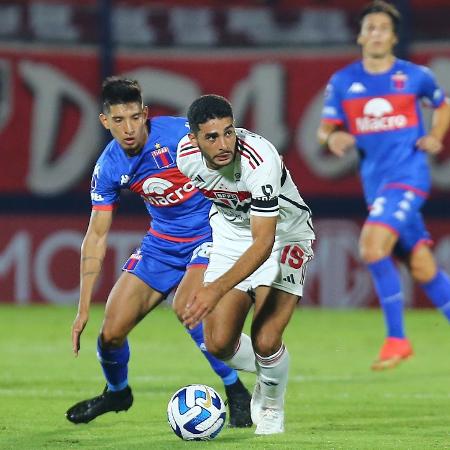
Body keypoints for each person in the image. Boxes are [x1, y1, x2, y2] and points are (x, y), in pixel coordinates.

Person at [65, 77, 252, 427]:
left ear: (146, 114)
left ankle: (236, 389)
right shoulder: (109, 167)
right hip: (162, 245)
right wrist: (81, 308)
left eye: (135, 117)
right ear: (105, 122)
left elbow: (234, 154)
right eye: (118, 121)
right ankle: (117, 391)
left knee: (189, 308)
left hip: (211, 234)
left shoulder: (182, 135)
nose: (129, 128)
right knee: (111, 333)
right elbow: (96, 235)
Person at [317, 0, 450, 370]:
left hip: (408, 177)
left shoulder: (415, 76)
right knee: (424, 269)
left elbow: (443, 105)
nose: (375, 33)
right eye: (370, 27)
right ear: (361, 35)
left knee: (373, 247)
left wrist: (437, 136)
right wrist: (333, 139)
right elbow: (324, 128)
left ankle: (397, 339)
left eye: (383, 28)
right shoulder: (344, 81)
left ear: (393, 37)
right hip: (376, 186)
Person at [177, 94, 315, 435]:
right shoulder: (185, 159)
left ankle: (271, 401)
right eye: (211, 137)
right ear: (194, 139)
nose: (224, 144)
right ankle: (273, 369)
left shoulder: (259, 160)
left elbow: (263, 242)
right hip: (230, 235)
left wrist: (214, 289)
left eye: (228, 132)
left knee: (267, 338)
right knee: (219, 344)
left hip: (283, 234)